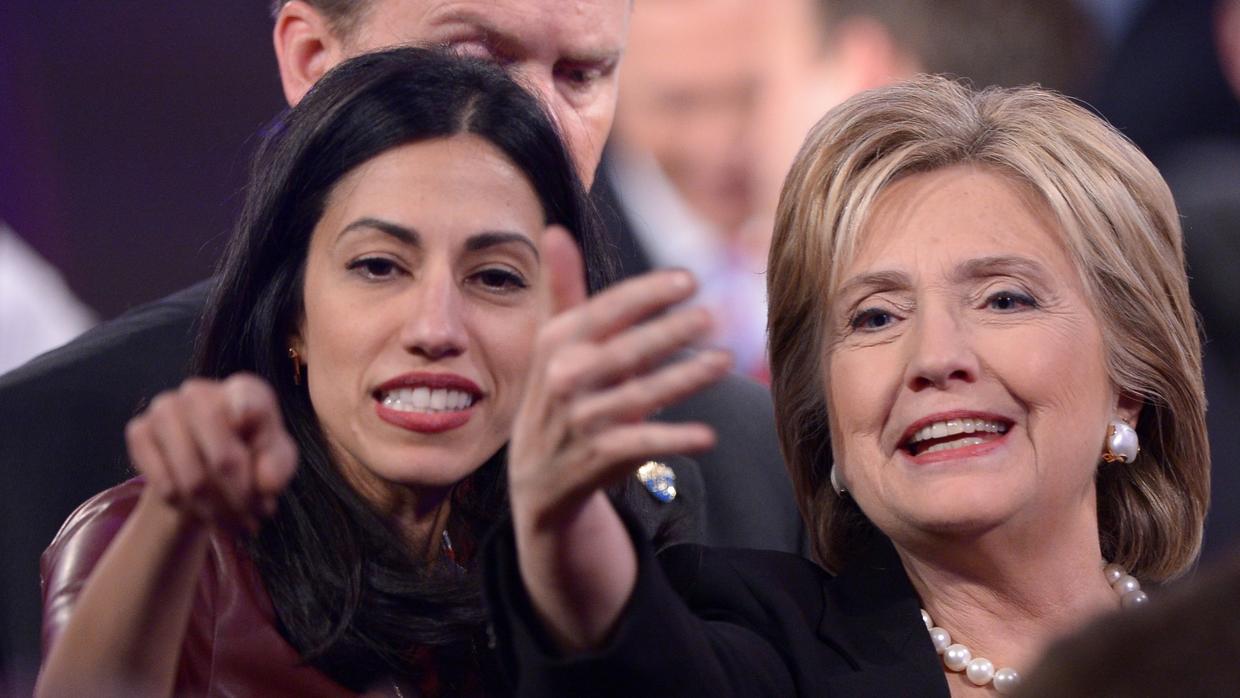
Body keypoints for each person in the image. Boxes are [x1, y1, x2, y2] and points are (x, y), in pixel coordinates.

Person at [0, 0, 803, 686]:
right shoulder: (79, 475)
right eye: (475, 61)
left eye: (580, 74)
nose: (435, 328)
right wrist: (167, 533)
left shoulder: (747, 468)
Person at [489, 75, 1210, 696]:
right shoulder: (764, 647)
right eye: (875, 317)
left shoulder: (1216, 648)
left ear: (1130, 379)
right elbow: (642, 661)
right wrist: (568, 535)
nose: (935, 356)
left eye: (1003, 299)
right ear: (825, 413)